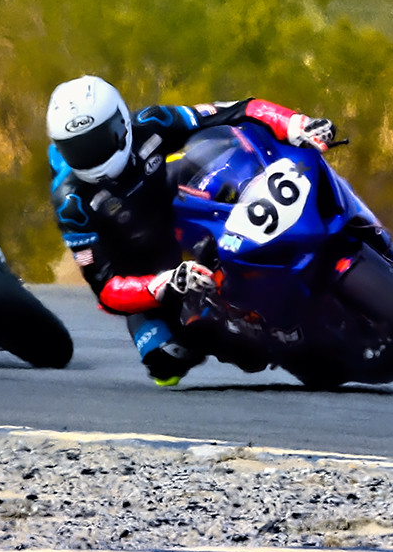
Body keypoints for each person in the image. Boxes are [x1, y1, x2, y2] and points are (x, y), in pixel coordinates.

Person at [46, 75, 336, 385]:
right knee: (164, 364)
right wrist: (162, 285)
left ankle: (297, 257)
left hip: (190, 215)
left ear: (120, 121)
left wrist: (295, 123)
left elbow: (236, 110)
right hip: (147, 272)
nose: (92, 156)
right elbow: (106, 291)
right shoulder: (71, 203)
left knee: (218, 153)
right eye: (78, 149)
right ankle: (246, 337)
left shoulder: (152, 123)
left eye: (98, 140)